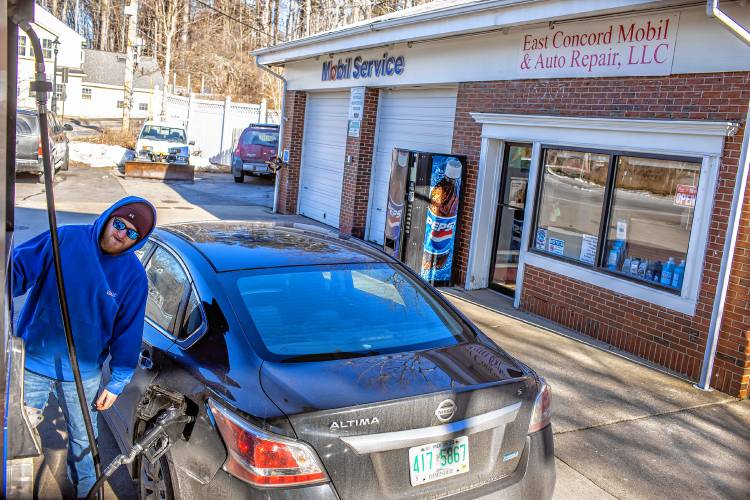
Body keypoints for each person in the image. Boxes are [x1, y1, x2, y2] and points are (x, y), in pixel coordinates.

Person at [13, 196, 156, 498]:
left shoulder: (133, 278)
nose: (121, 234)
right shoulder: (65, 238)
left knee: (85, 443)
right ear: (108, 218)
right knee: (17, 436)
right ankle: (15, 489)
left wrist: (117, 381)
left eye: (132, 233)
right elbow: (16, 274)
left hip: (83, 373)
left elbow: (128, 333)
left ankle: (88, 493)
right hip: (33, 363)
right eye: (119, 224)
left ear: (138, 241)